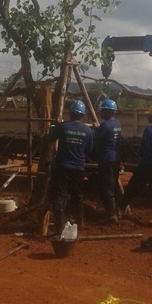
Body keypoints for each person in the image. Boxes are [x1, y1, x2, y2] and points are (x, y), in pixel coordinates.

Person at [119, 102, 152, 229]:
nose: (148, 116)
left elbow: (143, 151)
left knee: (132, 188)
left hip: (147, 166)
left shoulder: (149, 131)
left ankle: (118, 212)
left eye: (150, 114)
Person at [49, 100, 94, 235]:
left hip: (62, 166)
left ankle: (59, 227)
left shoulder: (62, 127)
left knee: (60, 196)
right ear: (82, 115)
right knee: (78, 196)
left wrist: (55, 127)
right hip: (78, 167)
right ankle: (80, 223)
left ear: (70, 113)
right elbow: (90, 149)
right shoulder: (88, 130)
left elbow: (50, 138)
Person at [93, 99, 122, 223]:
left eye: (102, 110)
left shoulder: (105, 126)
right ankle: (116, 212)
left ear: (108, 112)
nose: (100, 113)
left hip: (106, 158)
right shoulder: (117, 124)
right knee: (112, 184)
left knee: (106, 186)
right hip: (115, 157)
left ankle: (111, 216)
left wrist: (95, 128)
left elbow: (95, 138)